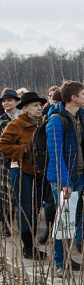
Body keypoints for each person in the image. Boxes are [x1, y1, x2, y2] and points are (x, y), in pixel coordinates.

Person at [46, 80, 84, 277]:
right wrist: (64, 181)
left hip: (80, 174)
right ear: (73, 97)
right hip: (64, 178)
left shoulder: (79, 118)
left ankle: (67, 256)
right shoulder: (57, 120)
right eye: (83, 94)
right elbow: (55, 153)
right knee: (62, 220)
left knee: (72, 220)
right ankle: (59, 262)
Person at [0, 92, 48, 260]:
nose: (39, 108)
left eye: (40, 105)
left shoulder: (42, 123)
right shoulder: (16, 124)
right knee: (25, 209)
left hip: (39, 171)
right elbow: (3, 146)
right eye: (35, 105)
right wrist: (25, 150)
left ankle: (32, 244)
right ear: (25, 108)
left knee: (35, 209)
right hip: (20, 170)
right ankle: (28, 248)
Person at [0, 88, 21, 236]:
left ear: (17, 102)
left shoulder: (23, 118)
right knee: (4, 194)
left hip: (22, 160)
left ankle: (23, 223)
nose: (6, 103)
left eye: (9, 100)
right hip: (4, 162)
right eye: (4, 101)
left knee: (19, 193)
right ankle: (6, 225)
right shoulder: (1, 120)